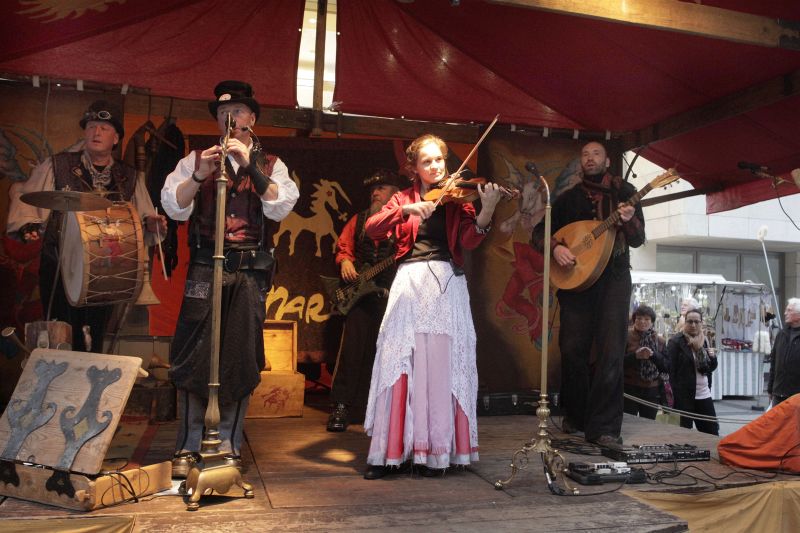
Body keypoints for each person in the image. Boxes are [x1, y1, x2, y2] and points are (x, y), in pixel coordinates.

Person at [161, 80, 299, 477]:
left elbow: (280, 206)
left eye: (237, 111)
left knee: (240, 355)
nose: (229, 117)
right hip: (206, 266)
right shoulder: (195, 160)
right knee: (194, 353)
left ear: (251, 118)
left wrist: (250, 165)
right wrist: (199, 176)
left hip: (250, 270)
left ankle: (227, 445)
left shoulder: (271, 164)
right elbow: (175, 207)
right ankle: (188, 446)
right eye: (223, 112)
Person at [361, 134, 503, 479]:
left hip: (446, 285)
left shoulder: (457, 200)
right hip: (409, 282)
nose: (436, 166)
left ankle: (434, 452)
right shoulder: (403, 197)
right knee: (399, 363)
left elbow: (469, 240)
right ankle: (390, 453)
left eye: (439, 159)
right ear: (414, 168)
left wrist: (486, 210)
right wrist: (405, 210)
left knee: (439, 366)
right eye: (427, 161)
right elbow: (372, 228)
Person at [6, 100, 166, 352]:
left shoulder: (129, 176)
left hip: (107, 269)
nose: (96, 132)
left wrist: (151, 224)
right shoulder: (58, 165)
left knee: (95, 337)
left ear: (116, 138)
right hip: (59, 265)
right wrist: (27, 225)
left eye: (104, 128)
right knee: (60, 334)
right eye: (91, 127)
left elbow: (142, 219)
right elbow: (26, 196)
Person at [531, 141, 645, 447]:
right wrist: (556, 248)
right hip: (577, 282)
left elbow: (638, 239)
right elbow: (539, 233)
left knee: (611, 351)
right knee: (572, 349)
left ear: (607, 161)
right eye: (585, 154)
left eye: (596, 154)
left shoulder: (625, 193)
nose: (589, 158)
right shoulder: (568, 199)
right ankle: (577, 416)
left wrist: (629, 220)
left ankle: (605, 428)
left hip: (614, 278)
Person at [327, 169, 405, 432]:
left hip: (393, 296)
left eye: (381, 188)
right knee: (352, 350)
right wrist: (345, 261)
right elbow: (344, 247)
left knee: (391, 353)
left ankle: (387, 411)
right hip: (360, 296)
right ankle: (341, 406)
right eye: (373, 189)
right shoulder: (359, 220)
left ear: (396, 192)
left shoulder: (405, 221)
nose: (375, 193)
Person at [667, 308, 719, 435]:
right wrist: (674, 396)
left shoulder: (704, 340)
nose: (693, 325)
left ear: (701, 323)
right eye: (690, 321)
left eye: (697, 322)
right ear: (685, 322)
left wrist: (713, 358)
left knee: (711, 432)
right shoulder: (676, 342)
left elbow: (709, 369)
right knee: (682, 434)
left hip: (704, 394)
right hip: (683, 397)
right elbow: (670, 370)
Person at [623, 305, 668, 420]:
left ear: (652, 322)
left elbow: (666, 366)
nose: (642, 322)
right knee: (629, 422)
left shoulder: (660, 341)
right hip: (630, 388)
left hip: (652, 390)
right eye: (639, 318)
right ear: (634, 320)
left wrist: (653, 355)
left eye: (647, 319)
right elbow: (617, 363)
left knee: (648, 422)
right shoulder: (625, 337)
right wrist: (635, 356)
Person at [767, 298, 800, 407]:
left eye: (789, 310)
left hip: (796, 396)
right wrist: (770, 388)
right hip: (779, 393)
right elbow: (774, 362)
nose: (785, 313)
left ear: (798, 315)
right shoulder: (781, 334)